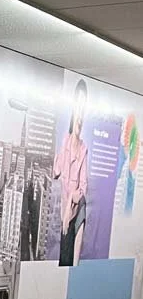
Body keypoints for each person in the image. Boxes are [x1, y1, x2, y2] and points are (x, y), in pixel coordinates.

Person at [57, 78, 89, 265]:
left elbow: (83, 188)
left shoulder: (84, 149)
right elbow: (56, 171)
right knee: (64, 257)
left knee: (82, 211)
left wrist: (71, 200)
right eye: (78, 106)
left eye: (83, 108)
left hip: (76, 211)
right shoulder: (65, 141)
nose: (80, 115)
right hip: (64, 215)